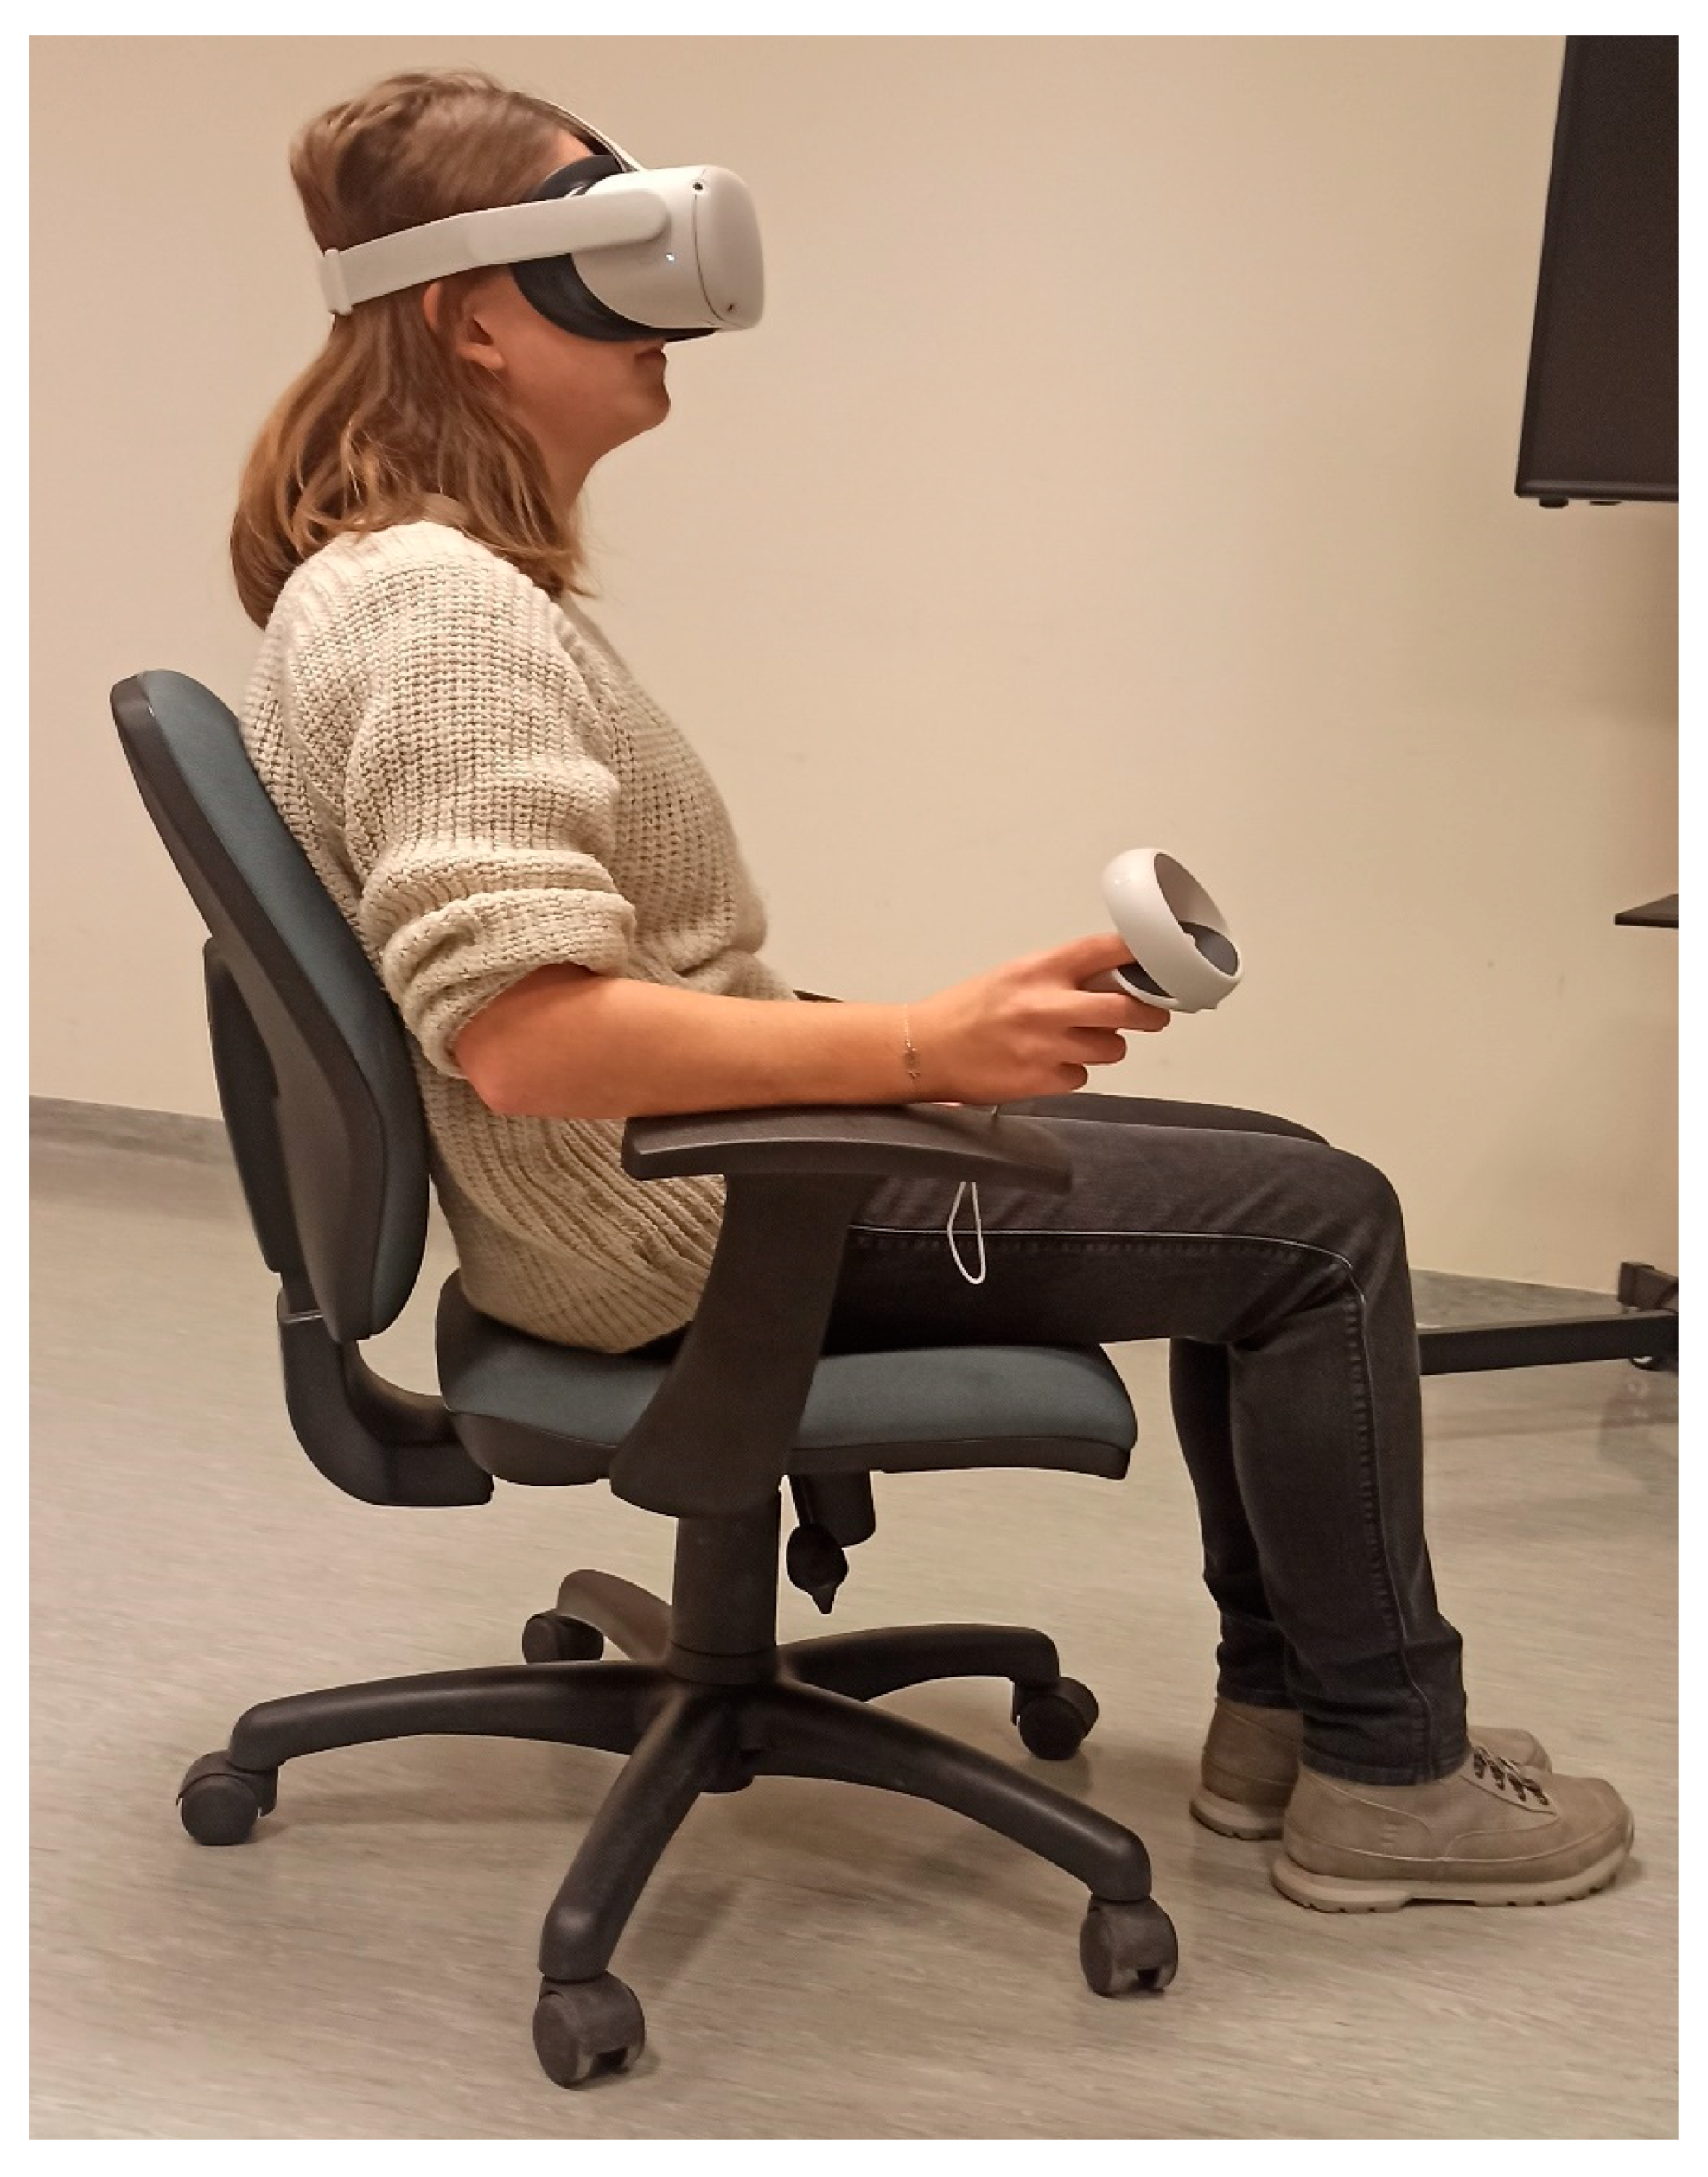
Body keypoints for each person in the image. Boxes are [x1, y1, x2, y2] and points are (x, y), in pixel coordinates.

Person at [232, 67, 1634, 1913]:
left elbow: (580, 994)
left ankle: (1290, 1722)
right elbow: (526, 1035)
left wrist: (926, 1043)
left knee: (1276, 1165)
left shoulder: (405, 583)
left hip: (657, 1181)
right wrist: (910, 1047)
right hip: (679, 1222)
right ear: (471, 319)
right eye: (598, 239)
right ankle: (1389, 1776)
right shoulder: (440, 612)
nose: (663, 304)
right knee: (1322, 1228)